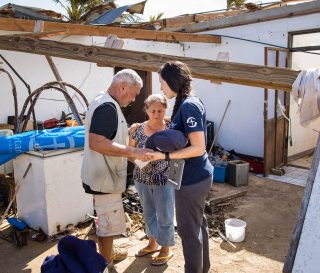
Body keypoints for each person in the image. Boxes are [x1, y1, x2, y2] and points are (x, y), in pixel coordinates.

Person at [147, 61, 214, 273]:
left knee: (188, 232)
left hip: (192, 179)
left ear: (172, 81)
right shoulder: (184, 103)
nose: (160, 88)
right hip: (194, 176)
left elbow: (198, 147)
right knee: (197, 226)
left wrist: (164, 155)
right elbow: (184, 131)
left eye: (162, 83)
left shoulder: (189, 105)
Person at [81, 69, 151, 267]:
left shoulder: (102, 100)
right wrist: (133, 152)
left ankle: (106, 257)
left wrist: (126, 132)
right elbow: (97, 142)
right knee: (109, 226)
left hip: (99, 175)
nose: (135, 98)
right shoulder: (108, 108)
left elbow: (109, 136)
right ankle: (106, 264)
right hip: (105, 180)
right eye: (134, 93)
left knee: (105, 224)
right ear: (122, 87)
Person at [128, 94, 175, 266]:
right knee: (148, 212)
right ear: (146, 110)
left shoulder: (171, 127)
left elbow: (180, 150)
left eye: (160, 110)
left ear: (165, 110)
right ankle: (152, 243)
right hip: (142, 178)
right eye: (153, 110)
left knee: (165, 214)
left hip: (165, 179)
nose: (157, 114)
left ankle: (165, 248)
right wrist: (140, 162)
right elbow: (130, 151)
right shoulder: (137, 130)